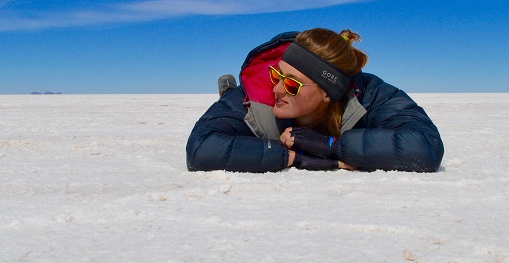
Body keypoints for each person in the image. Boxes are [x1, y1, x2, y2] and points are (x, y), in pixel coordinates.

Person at [186, 28, 444, 172]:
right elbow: (201, 149)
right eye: (277, 74)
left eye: (291, 84)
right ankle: (226, 89)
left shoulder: (369, 94)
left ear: (327, 92)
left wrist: (332, 146)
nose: (276, 88)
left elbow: (425, 146)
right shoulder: (254, 96)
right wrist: (290, 156)